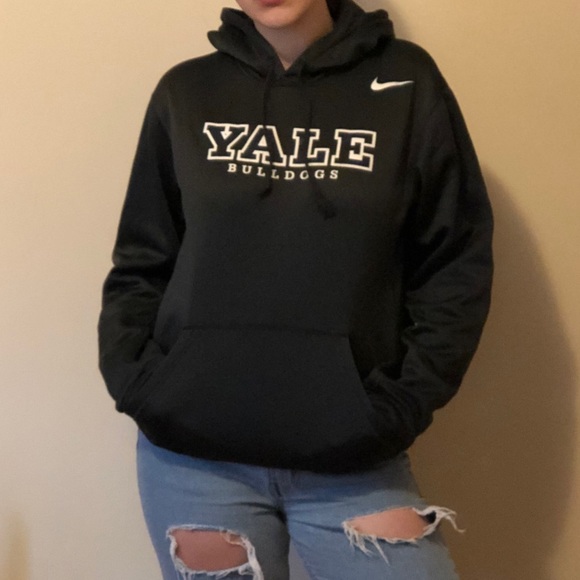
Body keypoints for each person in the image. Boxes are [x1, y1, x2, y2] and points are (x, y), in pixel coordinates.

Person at [98, 0, 493, 578]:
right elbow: (143, 256)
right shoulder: (187, 91)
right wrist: (143, 383)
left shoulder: (407, 82)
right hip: (194, 459)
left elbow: (454, 260)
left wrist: (398, 406)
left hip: (353, 460)